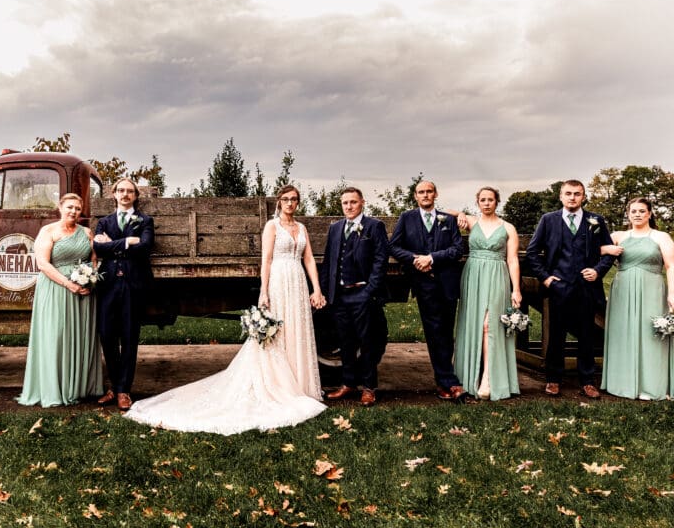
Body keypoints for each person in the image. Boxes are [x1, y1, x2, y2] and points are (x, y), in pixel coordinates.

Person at [124, 185, 326, 434]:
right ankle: (278, 386)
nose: (290, 203)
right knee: (278, 334)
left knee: (298, 331)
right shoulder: (272, 226)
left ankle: (300, 385)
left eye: (294, 199)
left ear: (298, 202)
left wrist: (315, 289)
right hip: (279, 281)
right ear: (279, 201)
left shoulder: (302, 228)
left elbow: (308, 260)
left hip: (297, 281)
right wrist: (264, 291)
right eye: (286, 199)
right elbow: (267, 260)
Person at [525, 180, 614, 399]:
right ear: (561, 196)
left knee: (586, 335)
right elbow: (532, 253)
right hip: (559, 287)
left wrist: (598, 271)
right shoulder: (548, 220)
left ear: (583, 196)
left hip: (587, 287)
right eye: (568, 193)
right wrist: (546, 279)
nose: (572, 197)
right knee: (556, 335)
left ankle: (587, 381)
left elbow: (610, 251)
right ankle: (553, 379)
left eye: (577, 194)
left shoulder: (596, 220)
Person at [17, 193, 104, 407]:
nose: (73, 211)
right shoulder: (48, 231)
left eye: (77, 208)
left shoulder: (86, 232)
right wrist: (69, 284)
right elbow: (43, 265)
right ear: (60, 207)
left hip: (83, 292)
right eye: (70, 207)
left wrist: (90, 280)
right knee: (56, 336)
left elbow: (93, 259)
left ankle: (82, 387)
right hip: (56, 288)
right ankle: (55, 388)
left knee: (82, 335)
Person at [388, 180, 465, 400]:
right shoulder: (407, 218)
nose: (425, 195)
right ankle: (446, 382)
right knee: (434, 331)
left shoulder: (448, 220)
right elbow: (393, 246)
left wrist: (432, 258)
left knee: (446, 331)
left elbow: (457, 249)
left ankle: (446, 378)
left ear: (435, 194)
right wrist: (415, 260)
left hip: (447, 282)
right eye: (421, 192)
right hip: (423, 283)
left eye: (429, 191)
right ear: (415, 196)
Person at [600, 198, 674, 400]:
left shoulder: (661, 237)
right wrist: (605, 249)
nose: (637, 214)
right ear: (628, 214)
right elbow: (588, 250)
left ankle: (651, 385)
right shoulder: (618, 236)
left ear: (650, 214)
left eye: (642, 211)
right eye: (633, 211)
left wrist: (673, 292)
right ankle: (621, 383)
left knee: (650, 335)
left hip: (652, 289)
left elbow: (671, 266)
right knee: (623, 331)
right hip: (623, 289)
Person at [451, 187, 522, 400]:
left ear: (497, 202)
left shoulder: (508, 227)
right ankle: (466, 374)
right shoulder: (472, 222)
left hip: (497, 275)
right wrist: (461, 214)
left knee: (489, 325)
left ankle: (489, 378)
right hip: (473, 276)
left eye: (490, 200)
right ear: (478, 202)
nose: (487, 203)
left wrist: (516, 289)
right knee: (473, 323)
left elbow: (512, 259)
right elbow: (444, 213)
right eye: (482, 200)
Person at [322, 187, 390, 406]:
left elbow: (381, 260)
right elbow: (329, 261)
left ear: (362, 203)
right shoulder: (335, 228)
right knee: (345, 341)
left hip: (362, 293)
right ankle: (348, 383)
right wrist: (326, 291)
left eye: (353, 202)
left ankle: (369, 387)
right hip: (340, 296)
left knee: (367, 342)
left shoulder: (374, 226)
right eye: (345, 203)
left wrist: (370, 290)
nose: (349, 206)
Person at [93, 178, 154, 412]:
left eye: (130, 191)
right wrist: (128, 241)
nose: (125, 194)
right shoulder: (104, 222)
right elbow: (98, 248)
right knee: (107, 335)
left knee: (129, 337)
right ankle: (114, 386)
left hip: (133, 284)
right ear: (114, 194)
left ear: (136, 196)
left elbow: (145, 246)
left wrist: (114, 244)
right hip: (107, 284)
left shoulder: (145, 220)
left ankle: (123, 391)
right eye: (121, 191)